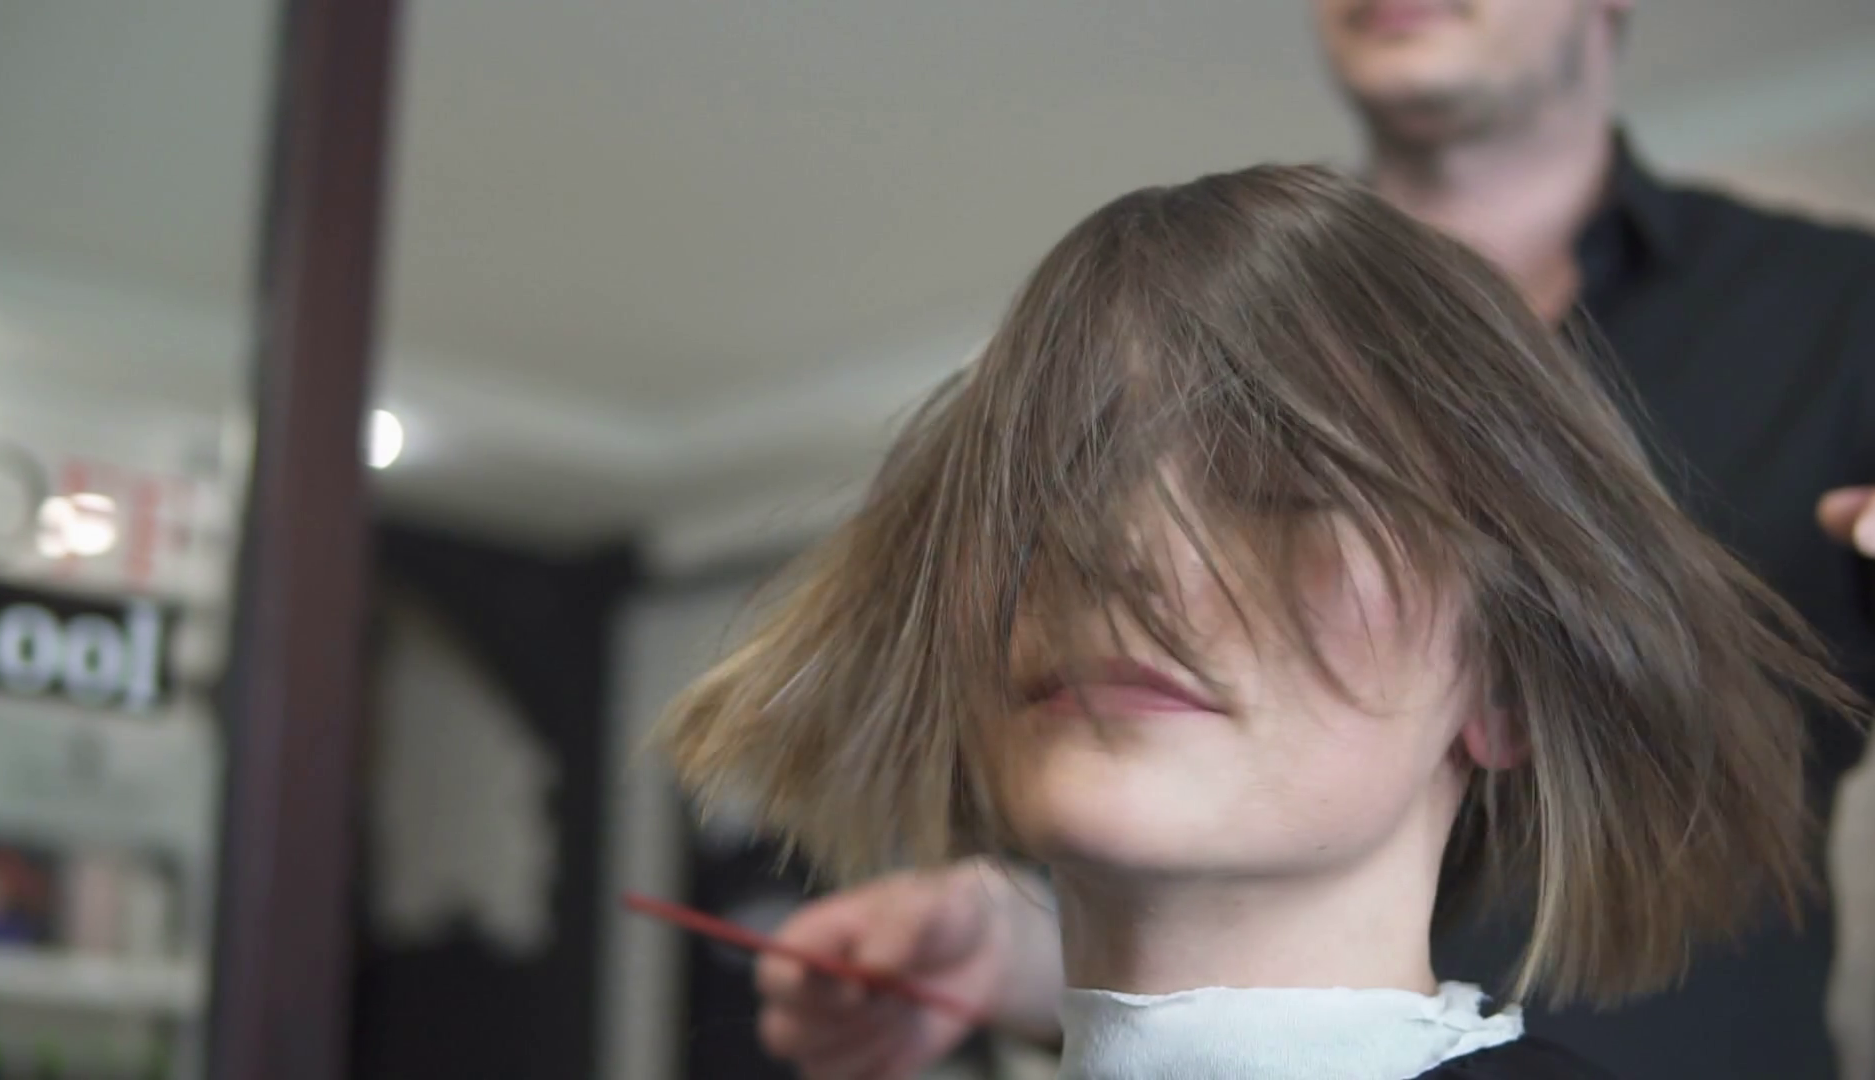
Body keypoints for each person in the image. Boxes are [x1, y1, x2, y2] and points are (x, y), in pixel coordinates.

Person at [748, 3, 1875, 1078]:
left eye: (1280, 489)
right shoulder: (1187, 282)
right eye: (1061, 481)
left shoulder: (1836, 314)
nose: (1124, 554)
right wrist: (1021, 947)